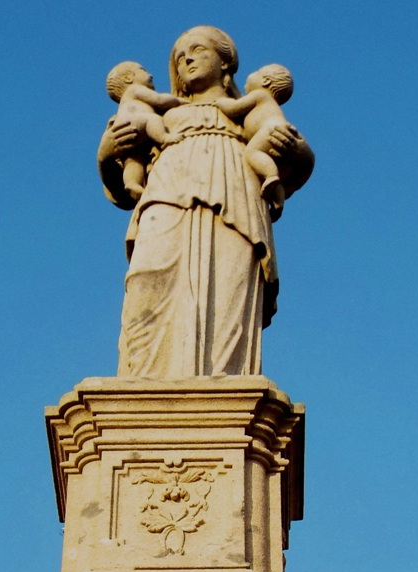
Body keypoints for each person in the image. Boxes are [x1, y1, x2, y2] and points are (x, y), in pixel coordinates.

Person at [98, 27, 314, 378]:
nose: (187, 58)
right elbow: (120, 189)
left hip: (235, 194)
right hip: (165, 192)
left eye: (198, 49)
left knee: (227, 292)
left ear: (225, 61)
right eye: (180, 55)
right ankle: (141, 381)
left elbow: (300, 162)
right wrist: (106, 153)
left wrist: (295, 148)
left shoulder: (245, 111)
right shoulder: (162, 113)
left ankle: (224, 380)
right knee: (145, 280)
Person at [214, 64, 294, 217]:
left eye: (257, 72)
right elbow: (242, 101)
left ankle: (271, 175)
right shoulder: (263, 101)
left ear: (265, 81)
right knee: (262, 156)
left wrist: (221, 102)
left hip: (270, 130)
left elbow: (235, 108)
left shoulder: (260, 95)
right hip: (274, 130)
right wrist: (231, 86)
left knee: (252, 153)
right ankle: (278, 197)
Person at [104, 61, 182, 202]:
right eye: (143, 70)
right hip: (137, 124)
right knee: (152, 119)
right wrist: (178, 101)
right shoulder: (134, 90)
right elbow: (159, 100)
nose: (150, 74)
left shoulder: (126, 102)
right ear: (129, 78)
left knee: (133, 160)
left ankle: (132, 183)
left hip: (128, 132)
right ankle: (164, 138)